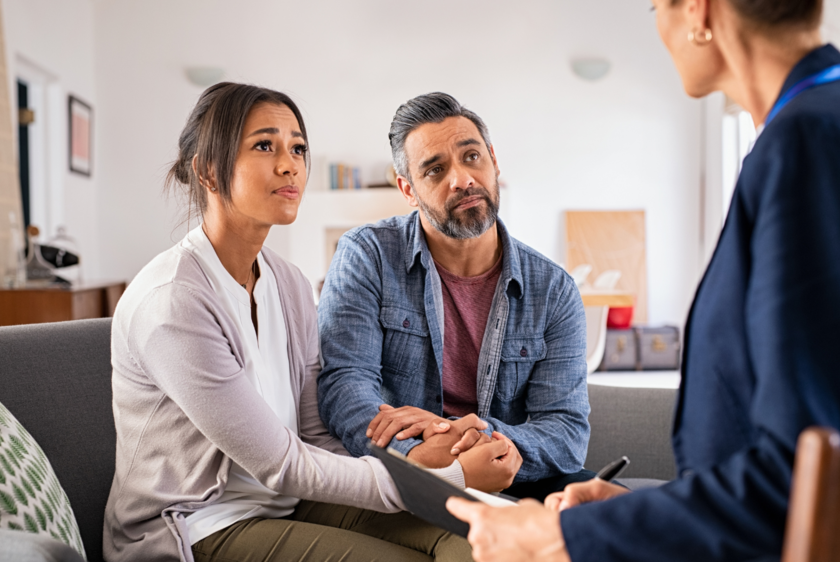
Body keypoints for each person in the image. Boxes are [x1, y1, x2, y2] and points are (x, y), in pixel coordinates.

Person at [446, 0, 840, 560]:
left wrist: (560, 536)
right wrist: (632, 513)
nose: (657, 25)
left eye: (656, 6)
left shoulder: (804, 143)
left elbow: (805, 478)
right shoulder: (811, 126)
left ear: (699, 10)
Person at [103, 82, 519, 562]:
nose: (290, 164)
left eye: (298, 148)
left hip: (292, 503)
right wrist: (441, 477)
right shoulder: (174, 301)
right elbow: (280, 463)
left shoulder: (291, 284)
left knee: (477, 540)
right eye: (265, 145)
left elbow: (314, 435)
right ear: (208, 170)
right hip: (200, 524)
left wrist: (422, 458)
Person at [317, 92, 593, 501]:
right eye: (434, 170)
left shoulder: (553, 290)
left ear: (493, 161)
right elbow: (346, 385)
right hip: (410, 473)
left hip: (511, 469)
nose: (462, 179)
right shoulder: (368, 255)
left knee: (621, 513)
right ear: (408, 189)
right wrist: (422, 457)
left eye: (471, 157)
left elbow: (565, 429)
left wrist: (480, 438)